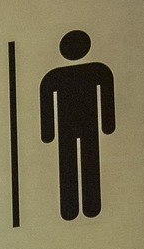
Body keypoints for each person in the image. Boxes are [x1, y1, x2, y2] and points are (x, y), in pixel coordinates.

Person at [39, 29, 115, 220]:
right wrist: (107, 124)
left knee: (80, 163)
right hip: (78, 126)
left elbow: (107, 96)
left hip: (75, 127)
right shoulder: (95, 70)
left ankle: (82, 207)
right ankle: (78, 208)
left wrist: (48, 133)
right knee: (74, 164)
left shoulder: (57, 76)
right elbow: (46, 101)